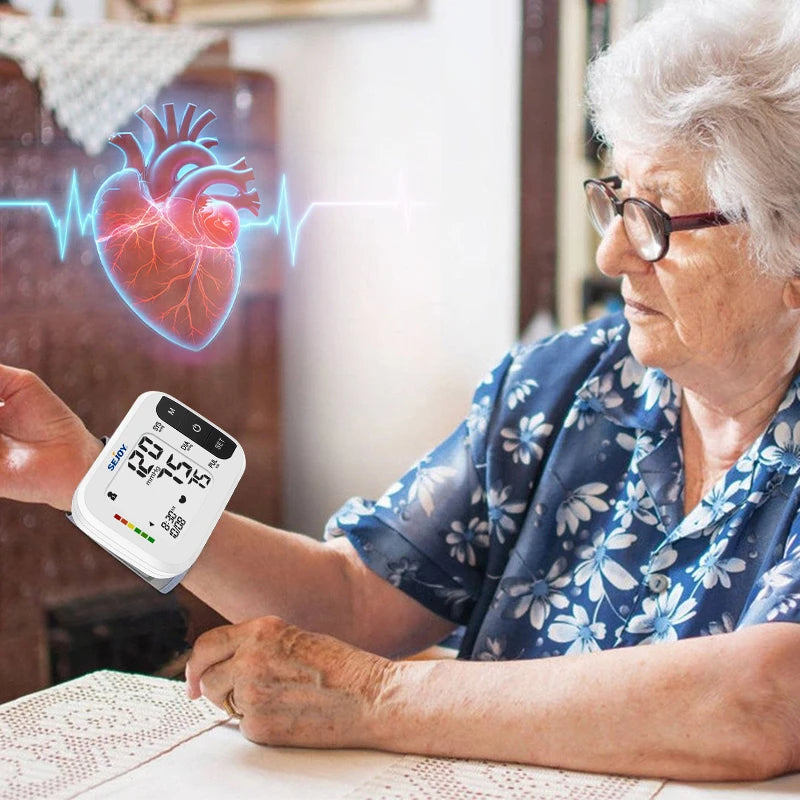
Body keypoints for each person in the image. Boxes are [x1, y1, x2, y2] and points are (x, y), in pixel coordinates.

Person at [3, 0, 800, 782]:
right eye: (615, 199)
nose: (612, 256)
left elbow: (767, 698)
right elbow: (353, 597)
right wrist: (88, 477)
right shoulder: (564, 387)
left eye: (655, 219)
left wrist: (376, 697)